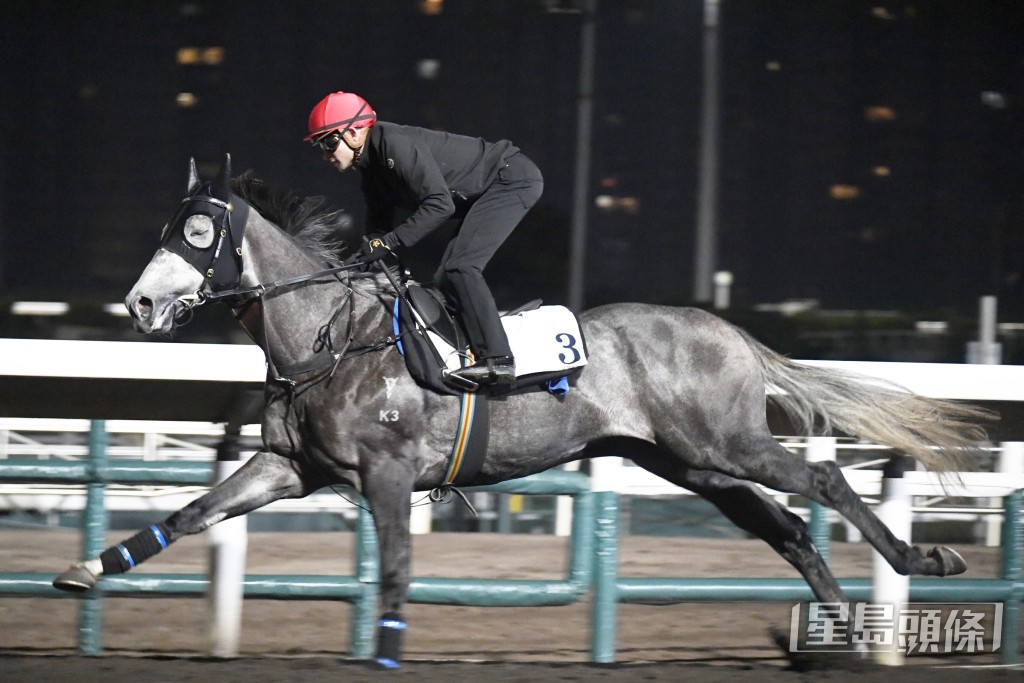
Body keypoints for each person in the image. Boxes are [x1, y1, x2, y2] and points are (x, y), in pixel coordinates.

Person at [305, 91, 543, 387]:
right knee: (445, 275)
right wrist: (365, 254)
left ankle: (498, 360)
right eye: (320, 146)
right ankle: (470, 348)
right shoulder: (370, 168)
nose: (326, 154)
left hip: (511, 180)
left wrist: (389, 242)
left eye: (329, 143)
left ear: (354, 132)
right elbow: (378, 223)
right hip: (481, 191)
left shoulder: (394, 144)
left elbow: (439, 205)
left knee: (461, 267)